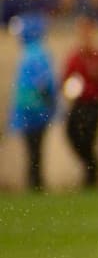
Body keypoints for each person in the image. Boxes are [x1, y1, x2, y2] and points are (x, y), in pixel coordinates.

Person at [60, 15, 98, 189]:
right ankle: (93, 169)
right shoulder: (75, 57)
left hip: (93, 103)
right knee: (73, 135)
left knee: (89, 138)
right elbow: (66, 79)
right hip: (78, 104)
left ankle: (91, 176)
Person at [6, 13, 57, 192]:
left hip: (32, 110)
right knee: (36, 149)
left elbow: (41, 84)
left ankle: (34, 182)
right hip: (38, 109)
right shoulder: (39, 53)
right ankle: (36, 182)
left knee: (33, 149)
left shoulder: (30, 54)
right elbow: (47, 83)